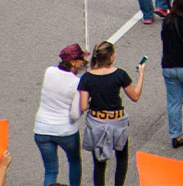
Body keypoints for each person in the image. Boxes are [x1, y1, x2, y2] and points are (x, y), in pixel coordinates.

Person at [77, 41, 144, 186]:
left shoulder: (87, 78)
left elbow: (83, 106)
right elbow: (135, 96)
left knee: (99, 164)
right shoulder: (120, 74)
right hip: (117, 121)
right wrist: (141, 75)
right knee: (121, 158)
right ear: (111, 57)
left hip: (97, 122)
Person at [35, 43, 86, 186]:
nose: (83, 61)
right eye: (81, 59)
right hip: (65, 130)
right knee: (74, 161)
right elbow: (75, 114)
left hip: (42, 128)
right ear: (73, 62)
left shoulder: (49, 71)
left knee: (50, 171)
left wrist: (82, 69)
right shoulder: (77, 83)